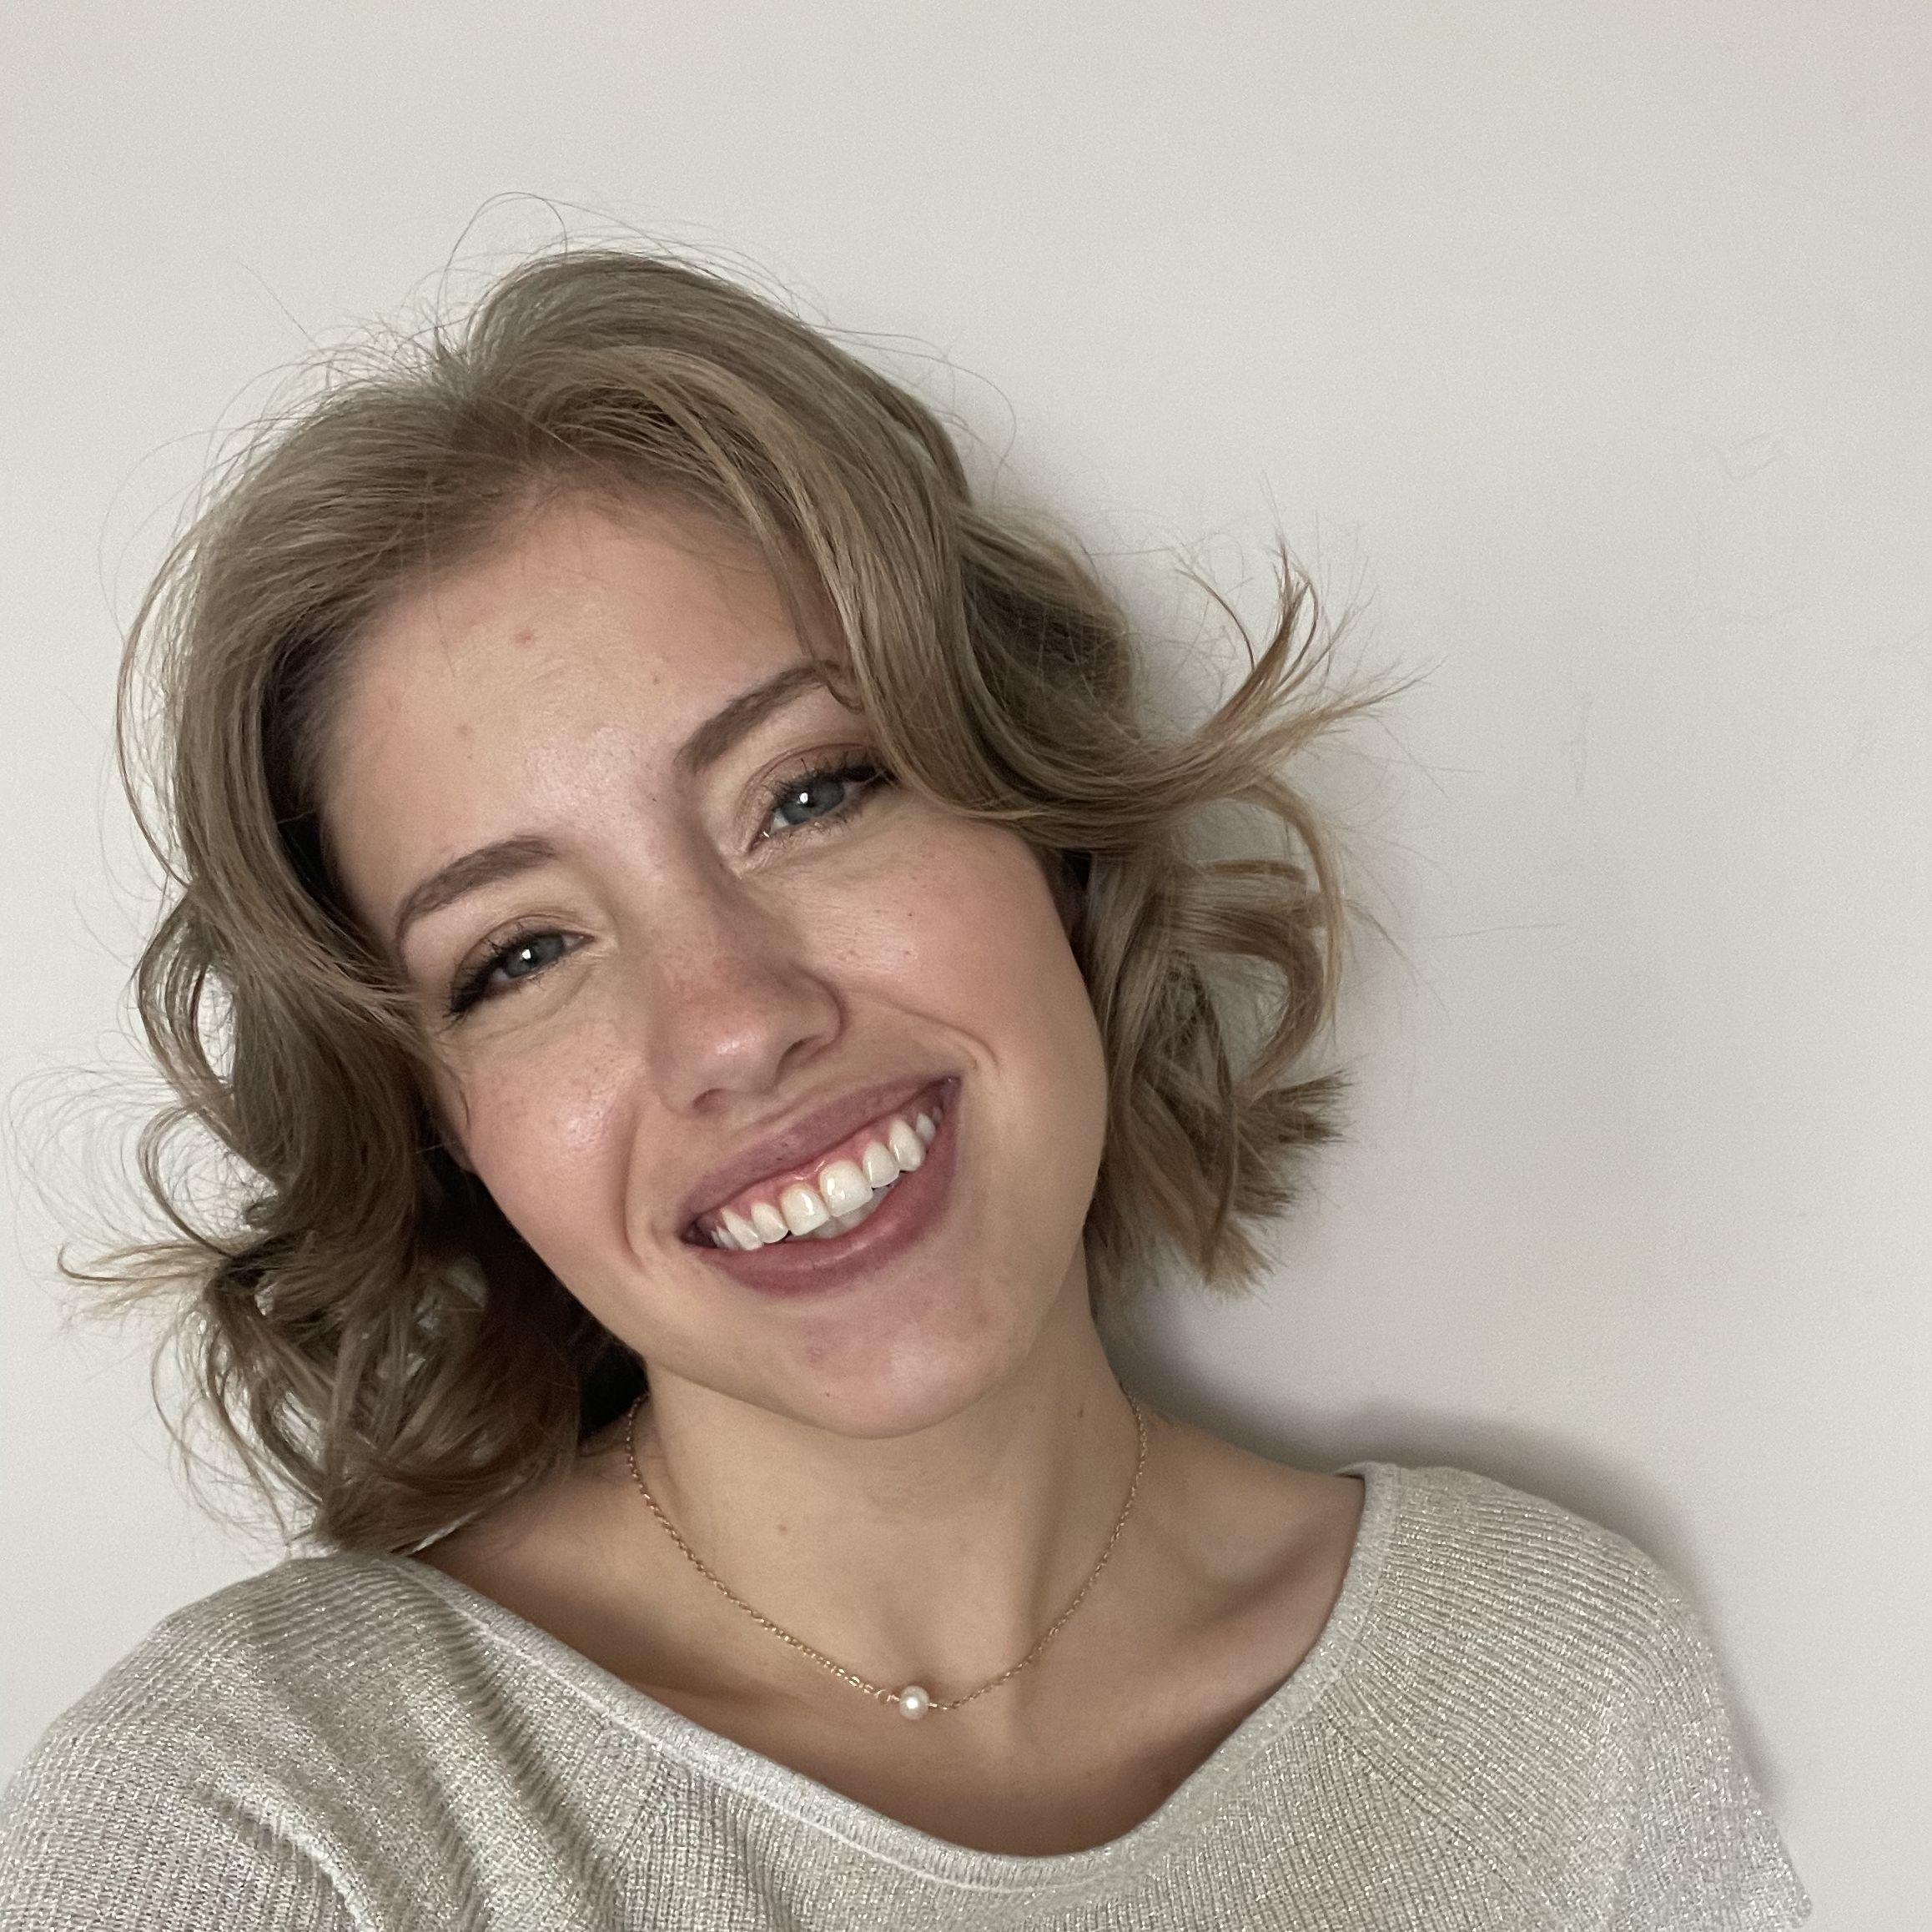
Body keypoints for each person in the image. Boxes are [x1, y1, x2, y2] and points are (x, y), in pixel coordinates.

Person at [0, 248, 1809, 1929]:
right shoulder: (257, 1823)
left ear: (1045, 825)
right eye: (521, 954)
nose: (731, 1023)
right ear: (442, 1129)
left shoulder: (1555, 1699)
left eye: (809, 795)